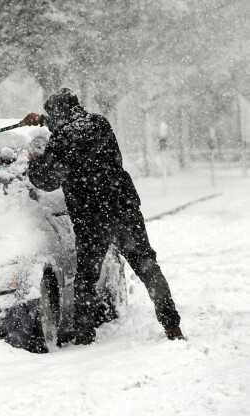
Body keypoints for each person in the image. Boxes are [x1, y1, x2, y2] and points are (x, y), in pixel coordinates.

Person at [20, 88, 184, 345]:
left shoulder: (61, 139)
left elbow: (47, 180)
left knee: (86, 278)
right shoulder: (99, 123)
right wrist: (42, 121)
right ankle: (172, 325)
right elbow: (78, 133)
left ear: (59, 113)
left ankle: (85, 336)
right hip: (123, 207)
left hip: (91, 217)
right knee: (147, 267)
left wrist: (34, 161)